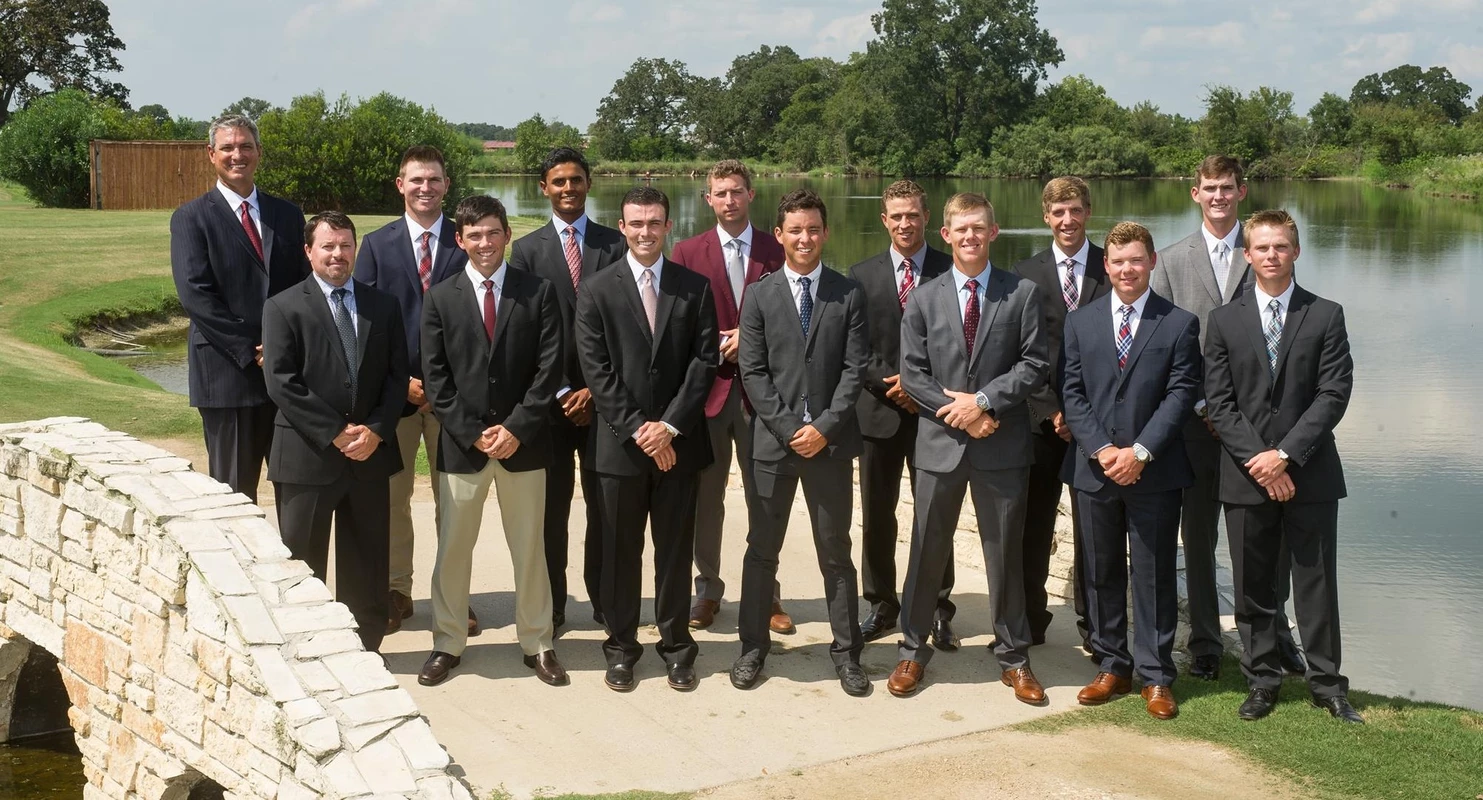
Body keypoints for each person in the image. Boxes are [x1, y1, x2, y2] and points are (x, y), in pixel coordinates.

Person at [887, 193, 1050, 703]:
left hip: (1001, 443)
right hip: (941, 444)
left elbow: (1034, 364)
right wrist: (958, 412)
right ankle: (912, 650)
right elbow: (913, 373)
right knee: (926, 551)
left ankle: (1014, 655)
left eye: (979, 228)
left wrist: (983, 403)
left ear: (993, 232)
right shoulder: (924, 296)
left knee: (1005, 554)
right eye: (961, 229)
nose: (970, 237)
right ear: (947, 235)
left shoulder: (1020, 293)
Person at [1203, 210, 1361, 724]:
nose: (1272, 256)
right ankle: (1262, 680)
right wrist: (1260, 461)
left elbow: (1333, 393)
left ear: (1296, 251)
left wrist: (1286, 455)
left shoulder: (1326, 314)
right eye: (1262, 248)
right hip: (1246, 474)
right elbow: (1219, 402)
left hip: (1309, 473)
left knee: (1315, 583)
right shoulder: (1224, 319)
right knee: (1252, 585)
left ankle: (1327, 685)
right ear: (1247, 255)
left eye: (1281, 247)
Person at [1151, 155, 1302, 680]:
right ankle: (1207, 642)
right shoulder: (1168, 262)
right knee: (1197, 535)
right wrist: (1202, 405)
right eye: (1209, 187)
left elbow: (1286, 339)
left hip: (1258, 428)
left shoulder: (1264, 248)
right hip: (1192, 424)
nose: (1218, 196)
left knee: (1264, 536)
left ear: (1241, 191)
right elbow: (1163, 348)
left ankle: (1273, 633)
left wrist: (1241, 414)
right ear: (1194, 193)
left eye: (1227, 187)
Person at [417, 196, 567, 687]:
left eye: (492, 232)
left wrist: (515, 429)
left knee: (530, 549)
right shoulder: (440, 298)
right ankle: (447, 642)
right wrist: (474, 432)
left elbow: (548, 372)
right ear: (459, 240)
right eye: (474, 235)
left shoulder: (538, 292)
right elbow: (436, 380)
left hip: (524, 446)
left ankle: (538, 642)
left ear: (506, 235)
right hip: (463, 448)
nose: (484, 242)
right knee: (453, 551)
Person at [574, 187, 718, 692]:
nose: (645, 232)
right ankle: (621, 647)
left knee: (675, 551)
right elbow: (598, 371)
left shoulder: (693, 287)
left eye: (654, 222)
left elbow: (704, 363)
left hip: (679, 444)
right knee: (619, 551)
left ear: (668, 225)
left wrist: (669, 427)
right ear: (621, 226)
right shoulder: (595, 290)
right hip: (618, 448)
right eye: (636, 223)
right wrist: (640, 429)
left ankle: (678, 646)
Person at [729, 190, 871, 697]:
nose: (805, 239)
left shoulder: (847, 293)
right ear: (781, 234)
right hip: (774, 445)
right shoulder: (759, 294)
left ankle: (847, 653)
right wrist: (791, 428)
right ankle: (751, 649)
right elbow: (753, 369)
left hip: (830, 447)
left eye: (813, 229)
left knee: (835, 551)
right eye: (795, 230)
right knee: (761, 551)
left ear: (825, 232)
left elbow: (855, 370)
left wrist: (825, 427)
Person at [1059, 222, 1201, 720]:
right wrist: (1101, 449)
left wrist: (1139, 452)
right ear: (1106, 265)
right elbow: (1071, 394)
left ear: (1152, 262)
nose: (1127, 269)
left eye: (1136, 260)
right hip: (1094, 471)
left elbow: (1181, 394)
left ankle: (1157, 675)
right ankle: (1112, 665)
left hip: (1154, 472)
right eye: (1118, 261)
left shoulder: (1179, 323)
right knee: (1099, 572)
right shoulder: (1080, 322)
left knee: (1155, 572)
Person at [262, 211, 407, 654]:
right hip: (308, 454)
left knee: (367, 558)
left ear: (355, 248)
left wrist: (377, 431)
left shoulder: (382, 305)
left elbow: (397, 377)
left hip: (370, 453)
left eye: (345, 245)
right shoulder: (283, 306)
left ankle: (366, 645)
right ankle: (307, 644)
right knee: (302, 558)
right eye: (327, 246)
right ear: (309, 252)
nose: (338, 254)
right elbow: (281, 382)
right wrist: (336, 432)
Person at [352, 145, 470, 637]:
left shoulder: (467, 245)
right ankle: (397, 590)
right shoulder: (377, 246)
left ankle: (454, 598)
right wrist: (400, 380)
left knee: (455, 501)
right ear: (400, 184)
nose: (426, 188)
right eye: (416, 180)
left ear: (447, 185)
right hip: (393, 396)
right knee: (393, 500)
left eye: (435, 180)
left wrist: (442, 382)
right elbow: (361, 321)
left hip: (455, 398)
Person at [668, 160, 789, 634]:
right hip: (710, 395)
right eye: (721, 193)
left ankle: (768, 592)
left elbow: (793, 314)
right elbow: (675, 326)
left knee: (767, 496)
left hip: (765, 397)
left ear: (751, 195)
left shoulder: (776, 248)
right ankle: (708, 589)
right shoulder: (685, 252)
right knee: (706, 499)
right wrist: (717, 344)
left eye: (738, 191)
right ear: (709, 200)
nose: (730, 200)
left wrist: (751, 340)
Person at [508, 147, 627, 628]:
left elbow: (625, 327)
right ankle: (552, 604)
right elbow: (527, 333)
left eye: (576, 180)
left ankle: (603, 599)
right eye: (558, 182)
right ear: (544, 188)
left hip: (605, 401)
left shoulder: (614, 244)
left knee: (604, 509)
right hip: (549, 404)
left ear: (588, 183)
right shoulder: (528, 250)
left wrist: (597, 391)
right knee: (550, 513)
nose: (568, 189)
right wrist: (558, 390)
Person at [171, 114, 309, 502]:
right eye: (228, 147)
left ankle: (295, 564)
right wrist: (254, 348)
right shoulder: (191, 218)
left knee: (298, 490)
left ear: (259, 152)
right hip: (227, 375)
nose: (238, 155)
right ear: (211, 154)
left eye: (245, 146)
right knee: (233, 497)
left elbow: (304, 287)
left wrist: (284, 346)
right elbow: (196, 295)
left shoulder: (287, 214)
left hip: (289, 375)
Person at [846, 180, 956, 646]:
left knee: (937, 512)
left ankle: (938, 607)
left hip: (936, 414)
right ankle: (882, 603)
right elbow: (854, 345)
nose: (905, 223)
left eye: (912, 214)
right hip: (878, 410)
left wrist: (922, 390)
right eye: (897, 215)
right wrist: (895, 385)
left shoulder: (951, 270)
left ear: (926, 218)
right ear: (884, 220)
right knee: (877, 511)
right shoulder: (860, 275)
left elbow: (959, 345)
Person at [1011, 176, 1110, 649]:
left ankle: (1096, 629)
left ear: (1088, 211)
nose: (1067, 220)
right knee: (1035, 525)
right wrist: (1052, 410)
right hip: (1040, 422)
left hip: (1102, 423)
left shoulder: (1112, 266)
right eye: (1058, 213)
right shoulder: (1025, 274)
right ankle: (1030, 619)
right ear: (1045, 218)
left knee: (1095, 530)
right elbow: (1018, 352)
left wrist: (1085, 415)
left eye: (1074, 210)